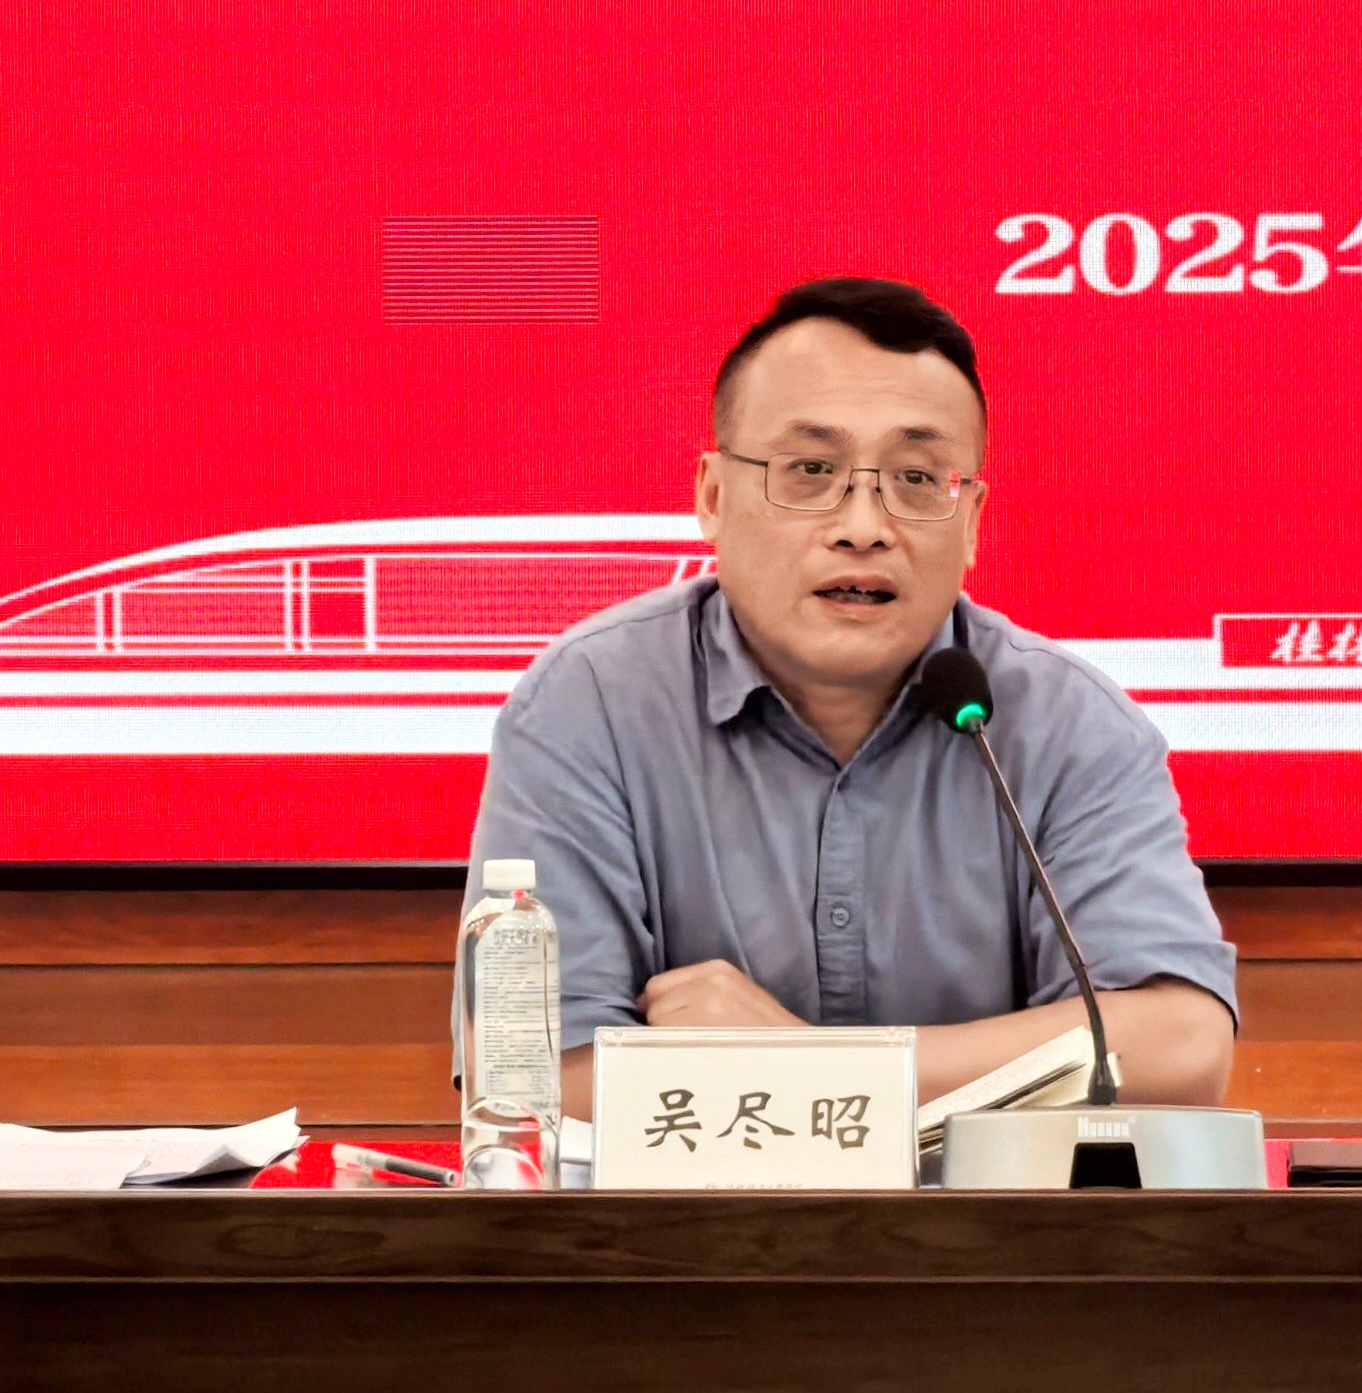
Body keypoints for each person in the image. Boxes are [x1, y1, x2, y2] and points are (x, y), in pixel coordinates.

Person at [459, 277, 1237, 1121]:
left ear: (972, 521)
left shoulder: (1067, 722)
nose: (863, 526)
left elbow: (1180, 1047)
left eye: (917, 478)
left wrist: (813, 1062)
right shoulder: (591, 703)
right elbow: (534, 1077)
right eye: (811, 471)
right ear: (712, 498)